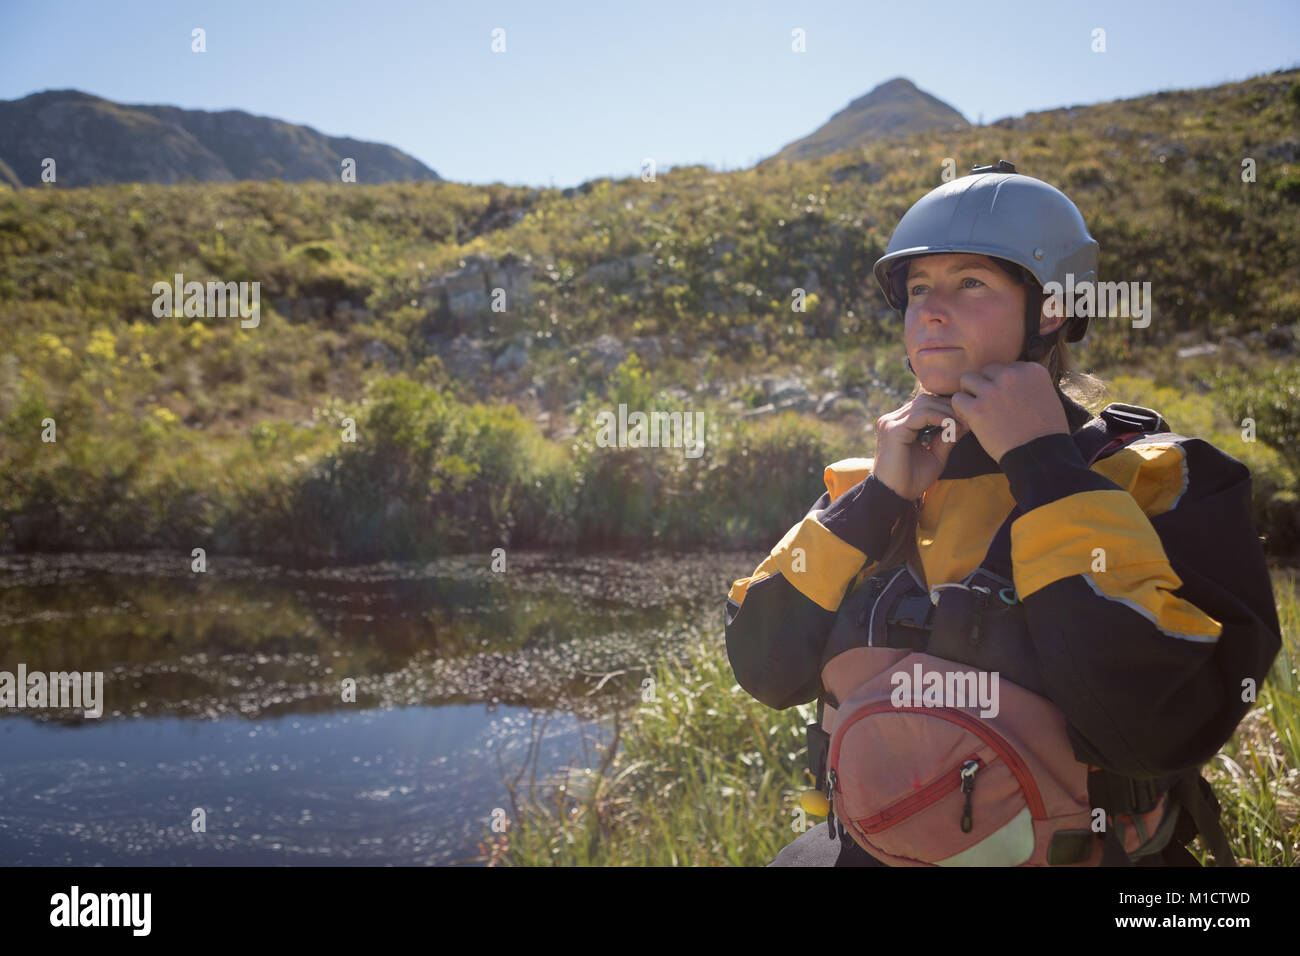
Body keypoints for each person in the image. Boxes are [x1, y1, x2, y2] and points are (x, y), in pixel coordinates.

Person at [724, 161, 1283, 867]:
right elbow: (763, 668)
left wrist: (1044, 466)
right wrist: (875, 506)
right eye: (918, 288)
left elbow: (1156, 729)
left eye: (970, 284)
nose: (929, 310)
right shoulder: (861, 488)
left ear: (1050, 310)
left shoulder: (1162, 480)